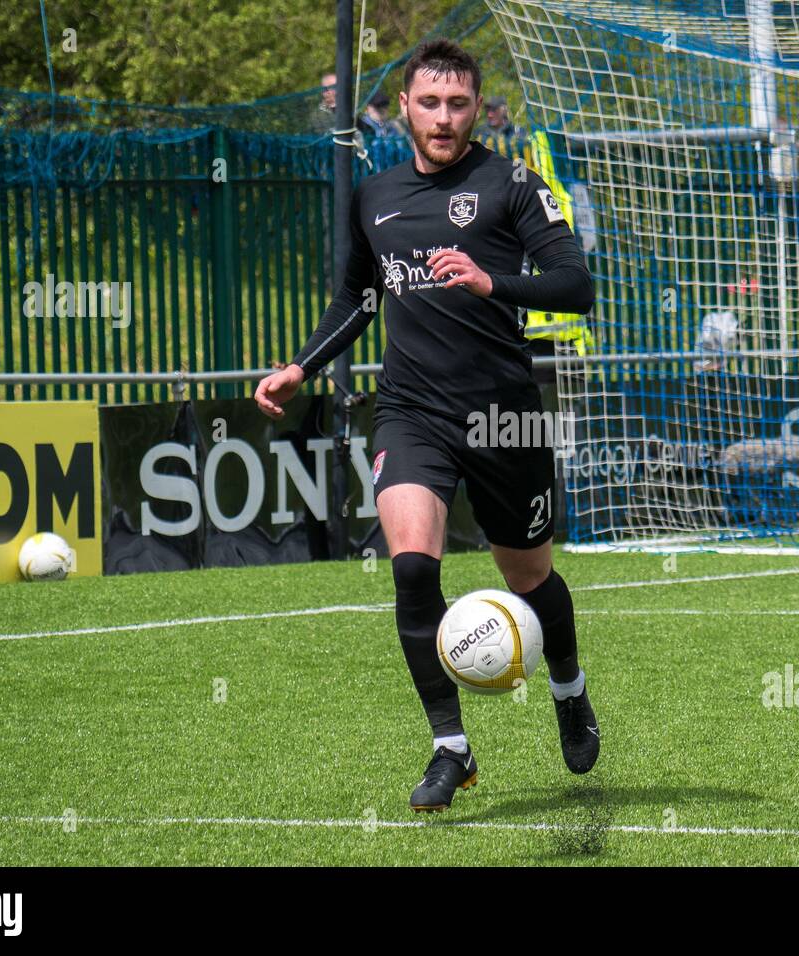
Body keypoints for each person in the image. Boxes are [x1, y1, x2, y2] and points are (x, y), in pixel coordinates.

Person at [256, 38, 599, 813]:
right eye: (429, 102)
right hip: (411, 409)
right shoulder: (373, 195)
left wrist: (494, 282)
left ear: (476, 109)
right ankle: (451, 748)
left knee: (529, 577)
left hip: (503, 414)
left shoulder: (514, 184)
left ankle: (569, 690)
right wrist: (300, 367)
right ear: (404, 106)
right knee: (412, 566)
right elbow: (358, 299)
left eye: (458, 104)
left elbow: (577, 286)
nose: (443, 118)